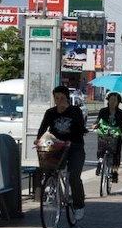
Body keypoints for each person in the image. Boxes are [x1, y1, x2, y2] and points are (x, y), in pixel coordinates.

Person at [34, 85, 88, 220]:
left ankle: (78, 205)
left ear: (67, 98)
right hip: (58, 146)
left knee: (74, 176)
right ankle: (54, 189)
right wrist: (38, 139)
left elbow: (81, 127)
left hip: (75, 146)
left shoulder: (75, 111)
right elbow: (42, 128)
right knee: (50, 168)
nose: (59, 100)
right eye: (56, 98)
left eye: (62, 98)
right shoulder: (50, 113)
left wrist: (68, 109)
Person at [92, 91, 122, 182]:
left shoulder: (121, 113)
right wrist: (95, 125)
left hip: (115, 134)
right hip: (104, 133)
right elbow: (98, 121)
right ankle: (100, 162)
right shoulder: (103, 111)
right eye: (111, 100)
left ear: (118, 102)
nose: (112, 102)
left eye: (115, 100)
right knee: (101, 148)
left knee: (116, 153)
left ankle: (115, 172)